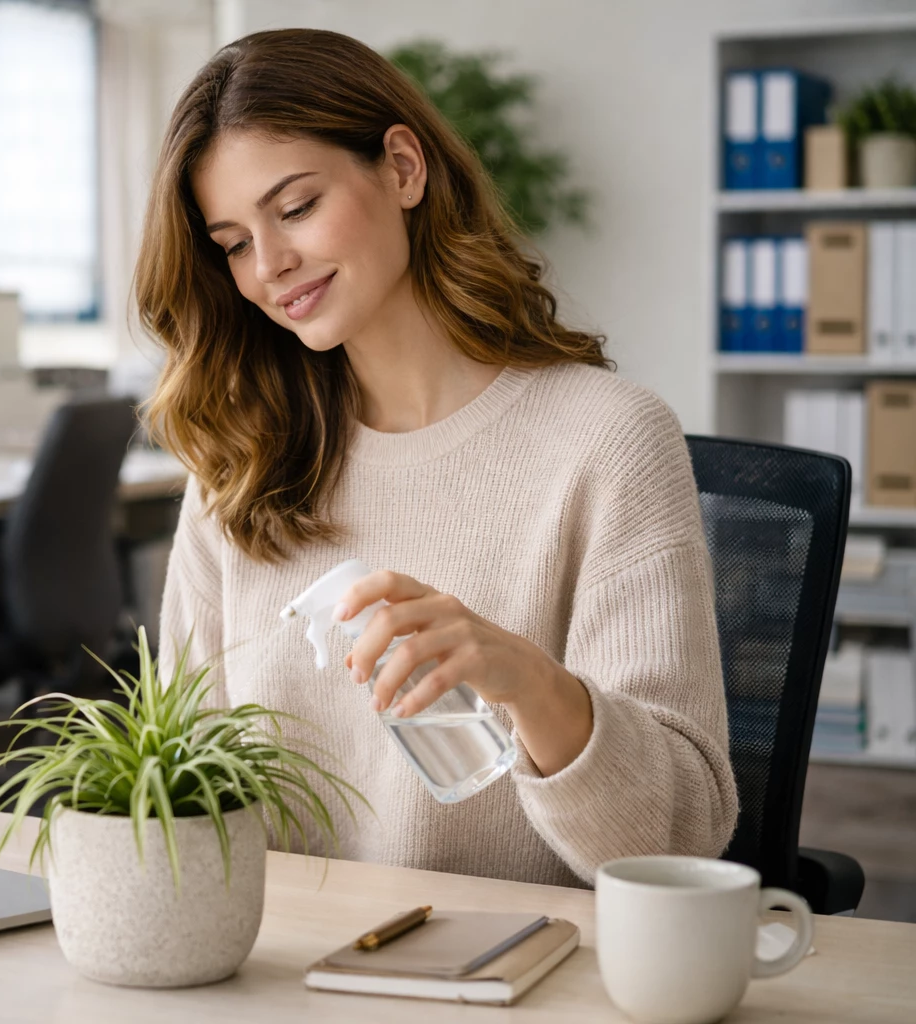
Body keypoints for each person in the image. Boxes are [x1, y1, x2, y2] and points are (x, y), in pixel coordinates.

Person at [139, 28, 737, 888]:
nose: (269, 266)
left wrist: (528, 681)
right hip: (278, 974)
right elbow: (182, 793)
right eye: (233, 242)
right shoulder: (241, 458)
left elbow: (679, 841)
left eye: (297, 207)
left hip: (518, 976)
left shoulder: (607, 441)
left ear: (403, 168)